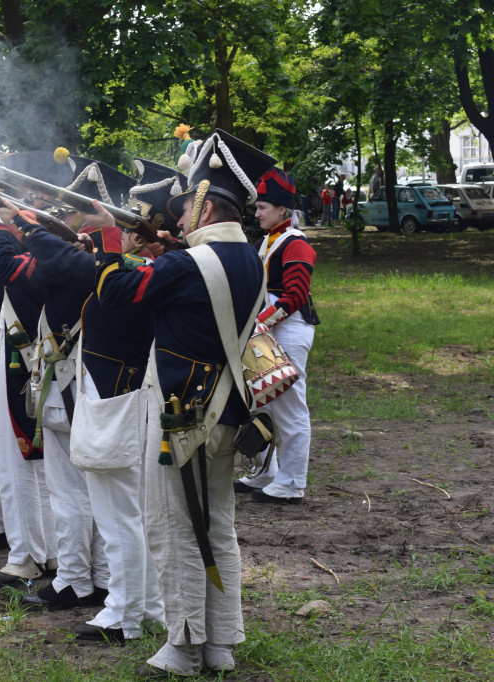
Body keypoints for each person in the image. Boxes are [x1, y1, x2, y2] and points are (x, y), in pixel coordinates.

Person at [95, 129, 271, 676]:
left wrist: (114, 249)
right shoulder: (248, 258)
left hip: (183, 415)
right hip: (227, 410)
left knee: (174, 527)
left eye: (188, 202)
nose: (180, 215)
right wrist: (166, 253)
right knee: (216, 522)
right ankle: (220, 641)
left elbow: (116, 294)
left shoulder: (189, 264)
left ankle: (183, 644)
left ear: (205, 202)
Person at [234, 168, 320, 504]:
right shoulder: (264, 242)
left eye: (262, 208)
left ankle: (292, 482)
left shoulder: (296, 242)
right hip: (267, 332)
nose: (256, 214)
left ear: (283, 211)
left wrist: (260, 325)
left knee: (290, 408)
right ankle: (265, 473)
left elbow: (295, 295)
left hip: (289, 330)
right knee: (256, 403)